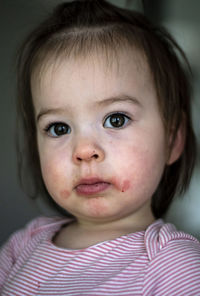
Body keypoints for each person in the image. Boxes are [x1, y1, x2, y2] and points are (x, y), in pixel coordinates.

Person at [0, 0, 200, 295]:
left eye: (116, 119)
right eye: (59, 128)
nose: (84, 150)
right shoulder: (23, 244)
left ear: (172, 139)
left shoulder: (174, 266)